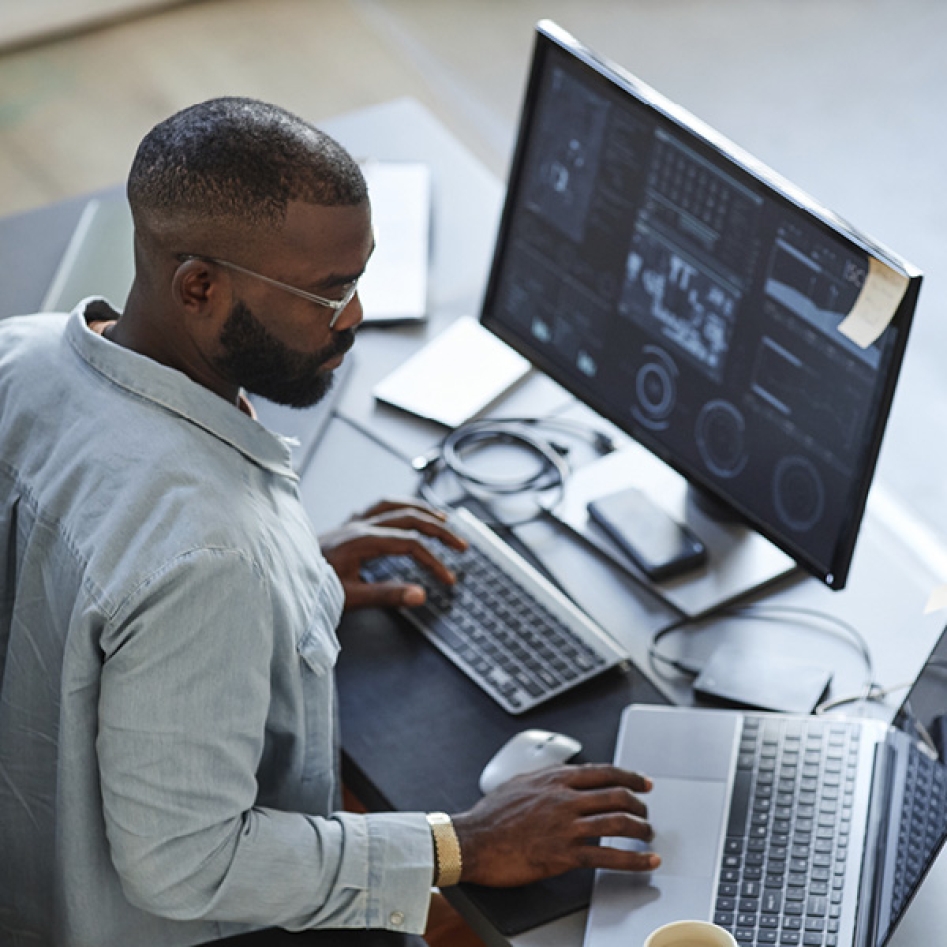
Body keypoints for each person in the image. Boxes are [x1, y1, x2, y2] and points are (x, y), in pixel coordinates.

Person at [0, 97, 660, 947]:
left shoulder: (19, 354)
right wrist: (464, 841)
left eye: (358, 276)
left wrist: (286, 584)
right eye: (326, 293)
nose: (352, 316)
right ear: (198, 286)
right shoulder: (208, 553)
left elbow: (87, 575)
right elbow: (185, 865)